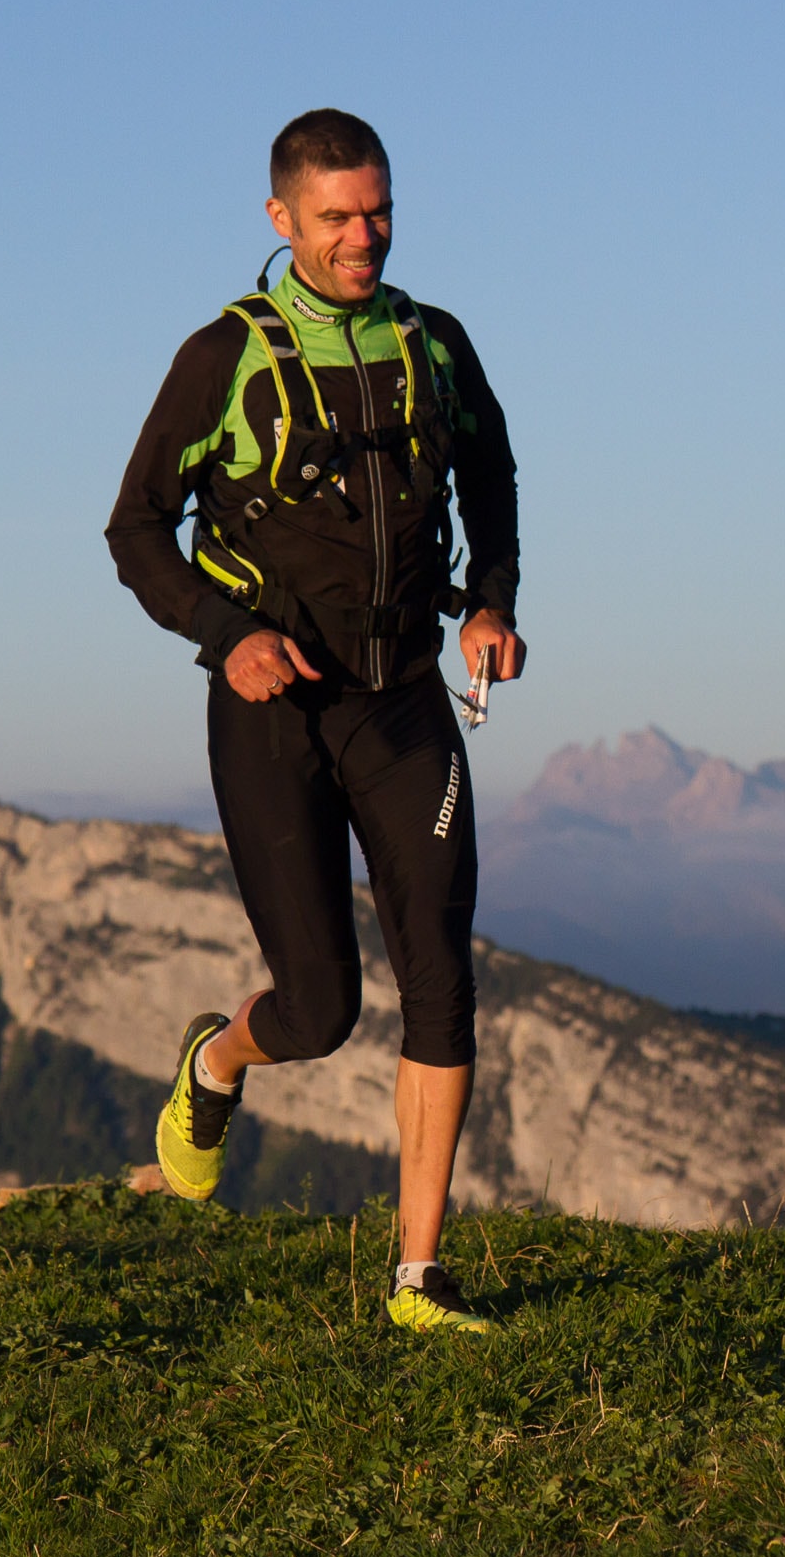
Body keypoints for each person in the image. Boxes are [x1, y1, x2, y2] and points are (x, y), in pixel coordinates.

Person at [105, 108, 523, 1334]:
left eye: (378, 210)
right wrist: (224, 634)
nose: (363, 236)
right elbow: (136, 526)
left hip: (404, 703)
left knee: (441, 977)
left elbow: (490, 473)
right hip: (275, 711)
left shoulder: (433, 344)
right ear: (281, 217)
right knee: (321, 1008)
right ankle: (216, 1061)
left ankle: (419, 1278)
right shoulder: (223, 357)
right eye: (336, 216)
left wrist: (490, 602)